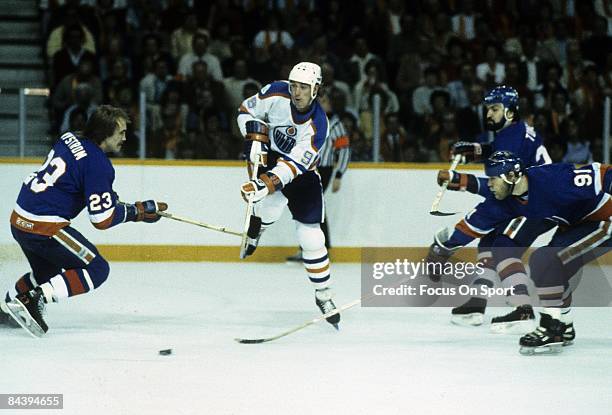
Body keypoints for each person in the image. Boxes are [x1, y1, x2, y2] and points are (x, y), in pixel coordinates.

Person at [0, 106, 168, 337]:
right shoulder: (99, 164)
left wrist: (117, 202)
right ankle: (33, 299)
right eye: (121, 132)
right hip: (44, 226)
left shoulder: (70, 137)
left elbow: (77, 181)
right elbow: (102, 219)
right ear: (105, 133)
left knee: (46, 272)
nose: (125, 138)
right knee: (97, 268)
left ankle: (6, 307)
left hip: (20, 220)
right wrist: (137, 213)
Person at [427, 151, 612, 353]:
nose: (490, 184)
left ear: (512, 176)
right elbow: (468, 228)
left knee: (544, 260)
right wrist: (441, 249)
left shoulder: (551, 179)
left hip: (602, 218)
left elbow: (605, 174)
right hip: (575, 225)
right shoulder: (503, 201)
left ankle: (552, 327)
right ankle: (564, 325)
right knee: (549, 271)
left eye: (494, 178)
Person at [439, 85, 551, 332]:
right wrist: (477, 151)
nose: (489, 114)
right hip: (534, 198)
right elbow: (498, 155)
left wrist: (460, 182)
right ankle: (476, 304)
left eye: (495, 109)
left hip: (535, 204)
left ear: (510, 113)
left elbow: (496, 196)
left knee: (503, 247)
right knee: (489, 243)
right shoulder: (515, 132)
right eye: (487, 109)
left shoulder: (511, 140)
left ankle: (523, 310)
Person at [237, 62, 339, 328]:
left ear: (315, 89)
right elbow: (245, 110)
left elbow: (294, 166)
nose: (297, 92)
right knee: (269, 208)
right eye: (294, 85)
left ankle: (324, 295)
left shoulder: (319, 124)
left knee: (312, 237)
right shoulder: (275, 92)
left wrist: (265, 184)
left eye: (304, 87)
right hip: (271, 160)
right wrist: (252, 137)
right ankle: (258, 228)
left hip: (303, 175)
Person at [286, 88, 350, 261]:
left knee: (312, 205)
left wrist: (339, 175)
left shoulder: (335, 124)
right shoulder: (309, 120)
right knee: (309, 206)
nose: (323, 104)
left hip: (323, 169)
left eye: (325, 101)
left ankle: (316, 248)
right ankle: (314, 247)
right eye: (321, 101)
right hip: (306, 168)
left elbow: (344, 150)